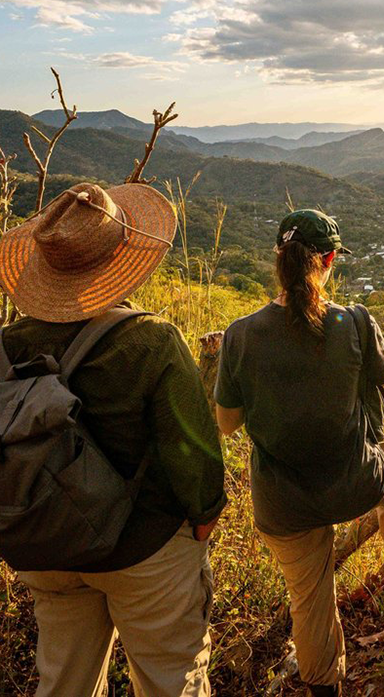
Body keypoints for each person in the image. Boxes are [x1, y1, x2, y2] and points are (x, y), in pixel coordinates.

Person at [0, 182, 226, 697]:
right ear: (124, 254)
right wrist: (205, 515)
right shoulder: (152, 340)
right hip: (143, 549)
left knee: (64, 683)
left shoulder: (6, 348)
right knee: (173, 679)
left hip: (46, 545)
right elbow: (195, 454)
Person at [214, 209, 384, 697]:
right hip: (356, 480)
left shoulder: (240, 335)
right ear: (330, 260)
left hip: (283, 504)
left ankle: (325, 690)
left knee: (310, 600)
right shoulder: (353, 321)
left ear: (279, 259)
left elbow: (227, 424)